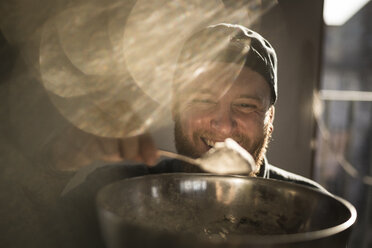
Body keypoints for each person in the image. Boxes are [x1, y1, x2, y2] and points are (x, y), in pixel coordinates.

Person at [59, 23, 326, 247]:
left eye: (246, 105)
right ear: (176, 108)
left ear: (270, 119)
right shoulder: (117, 193)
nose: (223, 126)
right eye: (202, 100)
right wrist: (56, 163)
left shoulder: (310, 214)